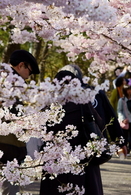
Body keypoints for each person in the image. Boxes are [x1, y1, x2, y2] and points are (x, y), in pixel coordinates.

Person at [39, 65, 105, 195]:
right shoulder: (82, 101)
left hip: (54, 157)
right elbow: (99, 122)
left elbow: (40, 129)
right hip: (81, 155)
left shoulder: (48, 103)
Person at [0, 49, 40, 195]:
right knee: (10, 187)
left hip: (8, 143)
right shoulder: (12, 82)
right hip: (8, 143)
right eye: (29, 70)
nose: (29, 76)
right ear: (21, 65)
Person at [117, 85, 131, 158]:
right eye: (127, 90)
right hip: (125, 121)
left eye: (130, 90)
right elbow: (119, 110)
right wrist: (122, 119)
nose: (129, 91)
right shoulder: (121, 100)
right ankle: (125, 149)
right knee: (124, 136)